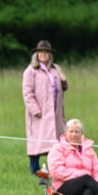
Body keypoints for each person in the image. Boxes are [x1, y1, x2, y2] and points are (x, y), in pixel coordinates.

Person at [22, 40, 67, 178]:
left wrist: (63, 79)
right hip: (39, 114)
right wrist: (36, 110)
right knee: (37, 142)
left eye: (46, 52)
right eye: (40, 52)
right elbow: (27, 93)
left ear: (50, 55)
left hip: (55, 112)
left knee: (55, 143)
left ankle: (55, 170)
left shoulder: (55, 70)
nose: (43, 54)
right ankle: (34, 171)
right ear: (36, 54)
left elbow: (63, 88)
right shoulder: (31, 71)